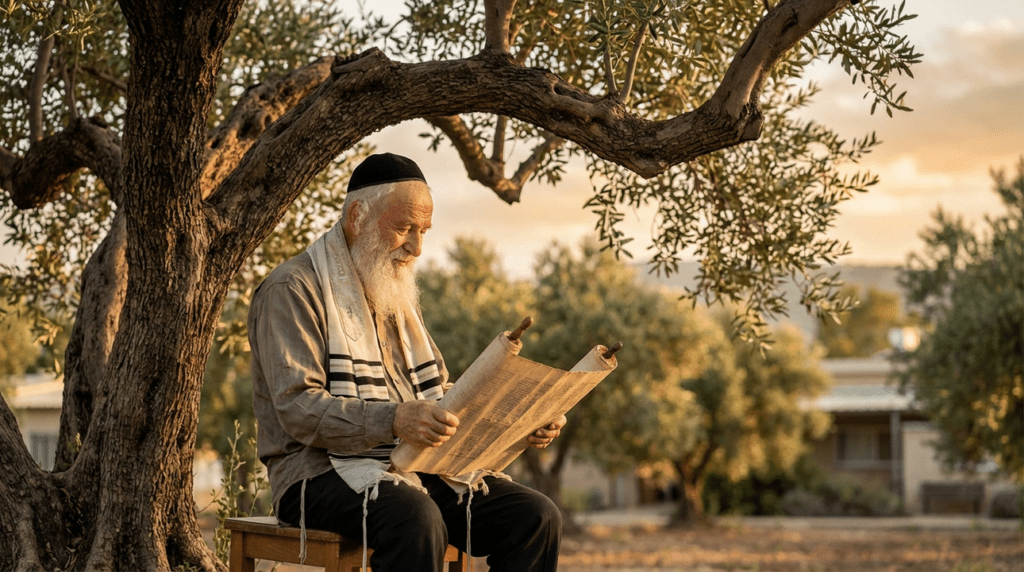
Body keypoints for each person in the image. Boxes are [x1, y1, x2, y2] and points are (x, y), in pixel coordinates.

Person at [248, 152, 564, 571]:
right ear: (357, 215)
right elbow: (298, 410)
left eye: (423, 231)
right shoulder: (292, 288)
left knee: (536, 517)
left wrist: (521, 420)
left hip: (414, 465)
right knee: (415, 517)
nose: (416, 247)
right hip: (313, 475)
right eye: (403, 228)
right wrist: (395, 419)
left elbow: (439, 398)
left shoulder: (393, 292)